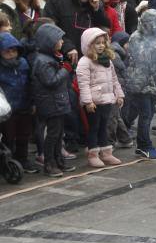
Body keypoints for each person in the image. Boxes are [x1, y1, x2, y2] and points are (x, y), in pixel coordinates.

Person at [30, 24, 76, 176]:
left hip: (58, 101)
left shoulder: (52, 57)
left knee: (58, 134)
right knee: (53, 135)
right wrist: (66, 69)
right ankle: (50, 163)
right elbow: (51, 81)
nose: (62, 42)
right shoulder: (43, 61)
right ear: (49, 42)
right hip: (51, 103)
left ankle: (58, 161)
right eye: (59, 40)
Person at [76, 28, 124, 168]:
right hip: (94, 102)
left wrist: (119, 94)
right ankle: (93, 154)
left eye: (103, 42)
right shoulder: (85, 62)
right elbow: (83, 84)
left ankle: (106, 152)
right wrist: (88, 101)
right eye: (97, 43)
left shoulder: (107, 60)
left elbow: (114, 79)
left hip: (107, 99)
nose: (101, 45)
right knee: (94, 128)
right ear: (89, 44)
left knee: (104, 126)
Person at [43, 0, 109, 63]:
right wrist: (67, 46)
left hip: (90, 54)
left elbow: (105, 25)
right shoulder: (56, 0)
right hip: (68, 53)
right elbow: (50, 28)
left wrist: (97, 9)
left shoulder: (93, 1)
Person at [127, 9, 156, 160]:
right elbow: (142, 57)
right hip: (140, 82)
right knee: (146, 115)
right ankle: (144, 146)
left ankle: (142, 143)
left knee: (147, 114)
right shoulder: (136, 37)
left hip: (150, 82)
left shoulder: (151, 36)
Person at [0, 32, 36, 173]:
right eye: (7, 50)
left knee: (24, 135)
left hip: (24, 105)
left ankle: (23, 160)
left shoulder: (23, 63)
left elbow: (30, 83)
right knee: (8, 137)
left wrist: (32, 102)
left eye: (14, 50)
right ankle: (7, 162)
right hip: (7, 110)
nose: (11, 53)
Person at [108, 31, 134, 148]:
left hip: (118, 88)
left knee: (115, 115)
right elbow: (123, 72)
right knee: (115, 116)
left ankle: (123, 139)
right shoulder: (115, 54)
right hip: (117, 88)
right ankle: (121, 139)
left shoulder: (120, 53)